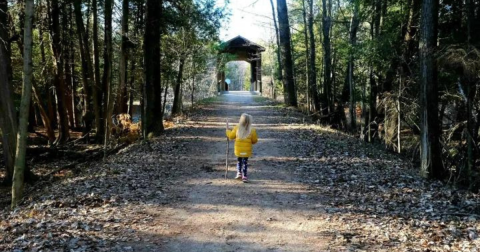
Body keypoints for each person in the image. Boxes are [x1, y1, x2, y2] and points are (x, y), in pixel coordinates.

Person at [226, 113, 258, 182]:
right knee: (245, 162)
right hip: (247, 150)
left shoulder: (237, 128)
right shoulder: (252, 130)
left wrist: (227, 131)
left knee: (239, 161)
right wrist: (251, 141)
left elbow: (231, 136)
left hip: (238, 150)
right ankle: (245, 176)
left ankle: (239, 173)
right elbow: (254, 141)